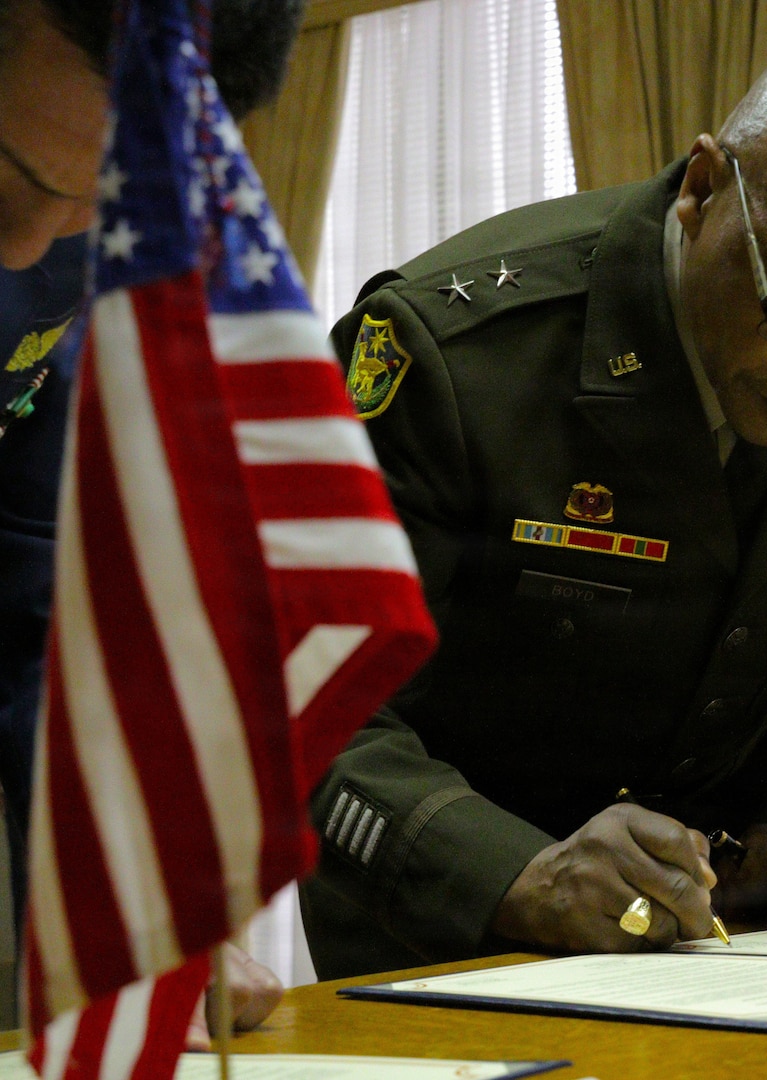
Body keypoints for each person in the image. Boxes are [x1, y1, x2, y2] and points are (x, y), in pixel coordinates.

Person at [301, 34, 767, 978]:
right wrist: (520, 875)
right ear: (703, 193)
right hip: (449, 933)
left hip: (739, 950)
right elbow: (306, 696)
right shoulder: (459, 356)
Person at [0, 0, 306, 1033]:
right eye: (9, 182)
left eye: (89, 204)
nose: (30, 248)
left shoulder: (68, 235)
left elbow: (41, 594)